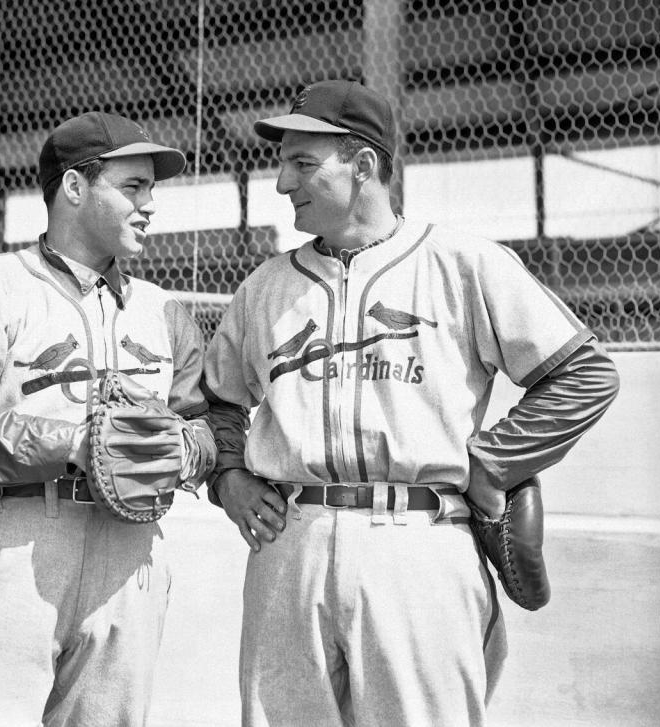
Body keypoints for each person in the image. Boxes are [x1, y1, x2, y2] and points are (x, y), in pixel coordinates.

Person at [201, 79, 620, 727]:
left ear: (365, 165)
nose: (282, 182)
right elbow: (216, 403)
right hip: (291, 548)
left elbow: (584, 375)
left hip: (420, 545)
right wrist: (228, 474)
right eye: (282, 162)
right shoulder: (264, 288)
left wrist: (492, 461)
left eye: (303, 163)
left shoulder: (463, 264)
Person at [0, 111, 217, 726]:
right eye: (133, 186)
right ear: (74, 187)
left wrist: (181, 450)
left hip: (132, 555)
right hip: (16, 537)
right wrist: (75, 443)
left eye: (151, 188)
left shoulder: (163, 310)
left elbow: (205, 427)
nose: (150, 205)